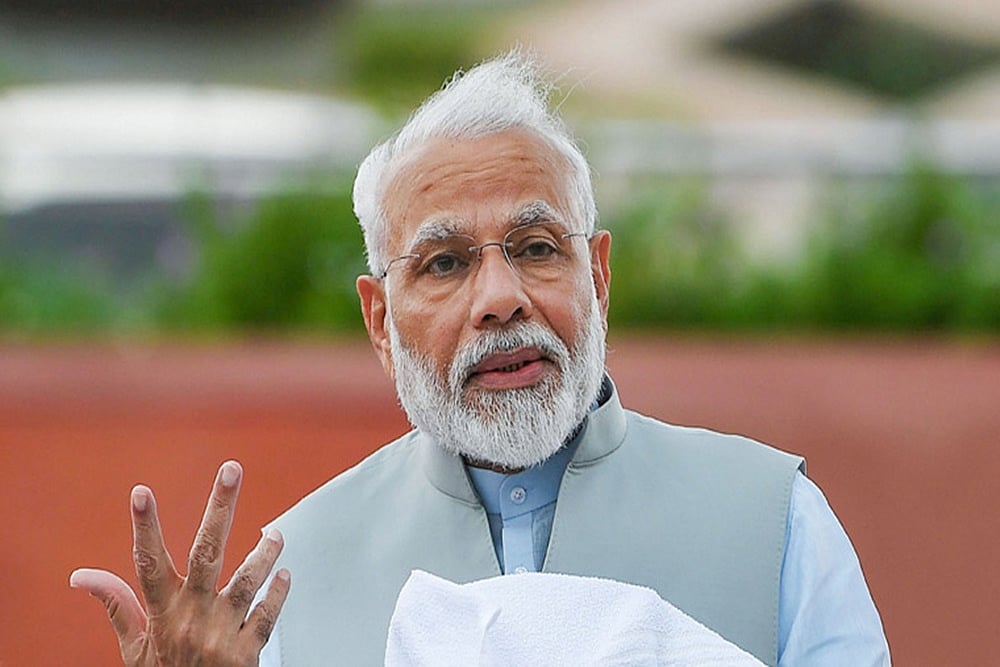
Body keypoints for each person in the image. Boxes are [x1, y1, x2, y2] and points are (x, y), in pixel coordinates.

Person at [71, 52, 890, 666]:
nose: (500, 296)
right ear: (380, 321)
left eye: (536, 247)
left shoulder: (776, 527)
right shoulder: (289, 583)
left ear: (599, 277)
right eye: (445, 262)